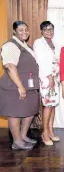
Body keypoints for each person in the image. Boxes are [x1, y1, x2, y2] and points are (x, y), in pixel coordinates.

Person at [0, 21, 40, 150]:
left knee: (29, 112)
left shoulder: (25, 46)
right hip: (14, 86)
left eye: (26, 30)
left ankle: (23, 136)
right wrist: (20, 87)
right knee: (15, 113)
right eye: (21, 30)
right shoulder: (10, 45)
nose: (24, 32)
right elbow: (10, 67)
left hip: (29, 85)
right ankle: (17, 141)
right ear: (14, 32)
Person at [33, 21, 60, 146]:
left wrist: (55, 77)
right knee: (48, 105)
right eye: (46, 29)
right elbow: (39, 61)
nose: (49, 31)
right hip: (46, 78)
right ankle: (44, 133)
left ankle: (50, 131)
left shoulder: (54, 42)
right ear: (42, 31)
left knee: (52, 105)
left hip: (55, 77)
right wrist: (49, 76)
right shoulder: (39, 43)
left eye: (51, 29)